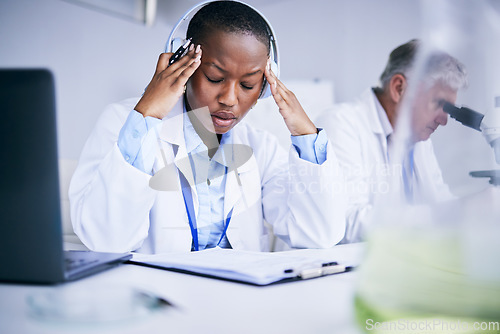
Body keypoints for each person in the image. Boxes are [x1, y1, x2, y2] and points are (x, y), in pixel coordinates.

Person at [69, 1, 346, 253]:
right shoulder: (122, 124)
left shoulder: (261, 147)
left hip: (236, 300)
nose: (229, 99)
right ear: (183, 65)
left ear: (263, 87)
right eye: (215, 77)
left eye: (248, 85)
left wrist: (306, 135)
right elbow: (107, 240)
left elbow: (318, 235)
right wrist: (148, 113)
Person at [316, 39, 468, 243]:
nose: (443, 120)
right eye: (439, 104)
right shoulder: (341, 123)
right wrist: (457, 211)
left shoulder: (418, 138)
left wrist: (473, 213)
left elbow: (441, 203)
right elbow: (348, 223)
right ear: (399, 88)